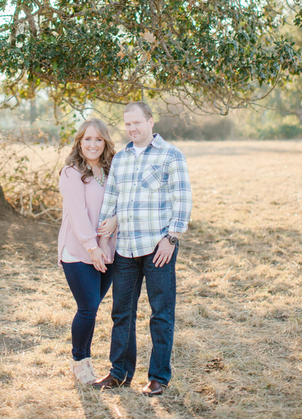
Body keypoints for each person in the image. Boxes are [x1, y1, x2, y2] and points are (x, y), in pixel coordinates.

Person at [91, 101, 192, 397]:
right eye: (128, 124)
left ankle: (158, 376)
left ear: (150, 121)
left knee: (161, 313)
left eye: (137, 122)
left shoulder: (171, 155)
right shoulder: (121, 158)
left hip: (158, 247)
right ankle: (119, 373)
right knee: (122, 312)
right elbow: (112, 199)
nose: (132, 128)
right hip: (126, 248)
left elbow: (182, 200)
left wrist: (171, 238)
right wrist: (104, 229)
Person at [57, 117, 117, 384]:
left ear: (105, 143)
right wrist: (92, 247)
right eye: (87, 139)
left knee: (92, 307)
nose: (93, 144)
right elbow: (79, 214)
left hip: (108, 251)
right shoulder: (71, 172)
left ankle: (88, 361)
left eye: (98, 139)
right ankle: (80, 362)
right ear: (79, 142)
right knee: (88, 307)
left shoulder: (112, 171)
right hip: (79, 250)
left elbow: (123, 203)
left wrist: (116, 222)